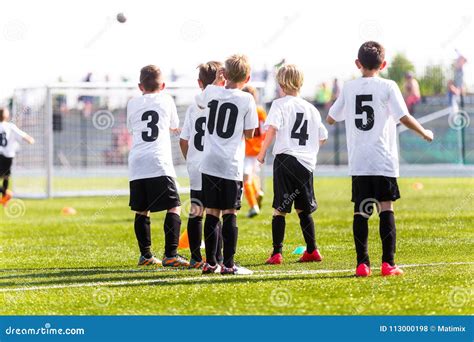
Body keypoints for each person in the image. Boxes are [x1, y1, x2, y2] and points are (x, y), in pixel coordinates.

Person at [326, 41, 434, 277]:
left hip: (359, 162)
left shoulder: (349, 87)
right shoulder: (388, 86)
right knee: (386, 207)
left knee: (361, 211)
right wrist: (424, 132)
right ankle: (388, 264)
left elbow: (332, 118)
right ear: (383, 64)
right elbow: (403, 117)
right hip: (383, 160)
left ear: (358, 64)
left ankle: (362, 265)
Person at [257, 64, 328, 265]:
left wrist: (262, 154)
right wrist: (308, 150)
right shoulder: (311, 108)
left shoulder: (279, 105)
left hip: (286, 159)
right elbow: (322, 137)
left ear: (281, 84)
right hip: (305, 164)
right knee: (303, 209)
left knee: (280, 208)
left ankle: (277, 253)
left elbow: (271, 130)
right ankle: (312, 250)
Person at [196, 54, 258, 275]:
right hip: (231, 163)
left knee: (212, 212)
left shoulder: (212, 91)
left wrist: (215, 83)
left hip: (209, 162)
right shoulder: (247, 99)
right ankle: (229, 265)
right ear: (247, 77)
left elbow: (200, 101)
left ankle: (210, 263)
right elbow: (250, 134)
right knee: (230, 212)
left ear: (224, 74)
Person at [127, 65, 188, 268]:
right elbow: (173, 124)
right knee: (174, 206)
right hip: (158, 160)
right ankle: (171, 254)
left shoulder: (132, 103)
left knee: (142, 209)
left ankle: (145, 255)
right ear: (163, 85)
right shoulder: (166, 99)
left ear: (139, 86)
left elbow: (131, 128)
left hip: (137, 162)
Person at [179, 61, 225, 269]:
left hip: (196, 165)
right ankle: (218, 257)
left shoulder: (193, 106)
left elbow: (183, 140)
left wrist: (191, 159)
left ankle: (196, 258)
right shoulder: (223, 103)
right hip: (215, 164)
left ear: (199, 83)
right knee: (216, 213)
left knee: (196, 212)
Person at [0, 107, 35, 206]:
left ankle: (4, 194)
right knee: (6, 177)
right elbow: (22, 135)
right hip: (8, 157)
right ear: (6, 115)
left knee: (5, 177)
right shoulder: (10, 126)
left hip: (1, 155)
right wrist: (29, 139)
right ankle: (4, 198)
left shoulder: (10, 126)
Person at [242, 85, 267, 218]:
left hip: (246, 149)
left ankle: (253, 205)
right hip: (258, 149)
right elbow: (264, 132)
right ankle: (257, 192)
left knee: (245, 178)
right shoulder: (261, 112)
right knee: (252, 175)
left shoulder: (244, 111)